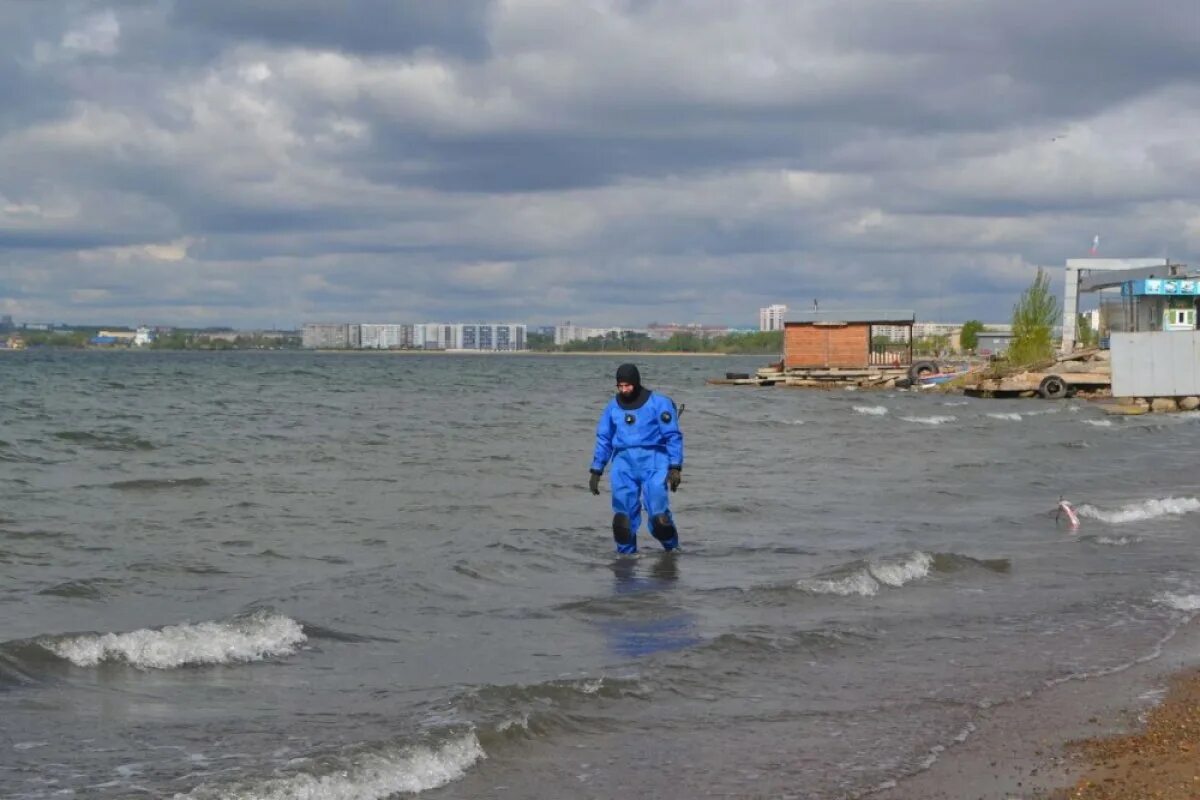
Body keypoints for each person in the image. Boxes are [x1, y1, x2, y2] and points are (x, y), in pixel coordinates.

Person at [589, 363, 683, 554]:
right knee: (622, 522)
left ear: (636, 382)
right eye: (620, 386)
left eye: (627, 385)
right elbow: (604, 439)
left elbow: (673, 436)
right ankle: (625, 564)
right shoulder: (613, 407)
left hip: (655, 460)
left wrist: (675, 466)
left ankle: (673, 552)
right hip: (623, 463)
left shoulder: (659, 403)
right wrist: (596, 470)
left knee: (660, 520)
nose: (624, 390)